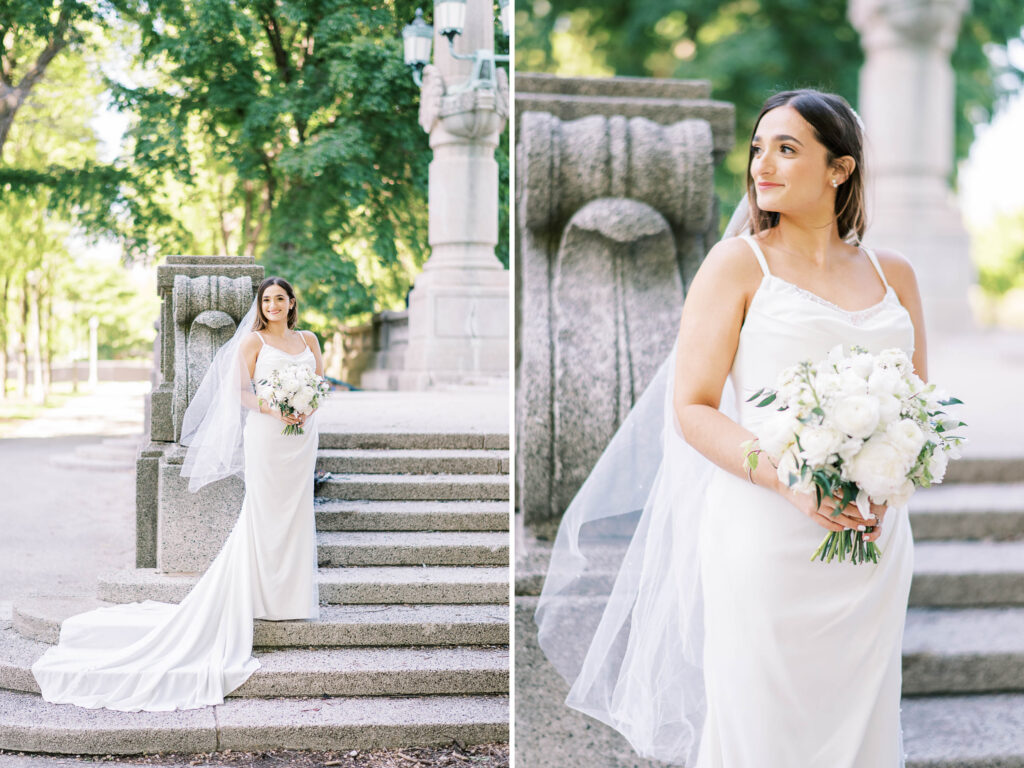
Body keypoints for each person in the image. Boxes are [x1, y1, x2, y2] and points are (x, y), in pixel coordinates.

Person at [534, 89, 927, 767]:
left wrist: (889, 484)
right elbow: (692, 406)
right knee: (761, 730)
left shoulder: (896, 275)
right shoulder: (740, 264)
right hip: (765, 535)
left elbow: (919, 410)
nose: (761, 166)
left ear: (840, 169)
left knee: (862, 728)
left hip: (871, 543)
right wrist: (790, 480)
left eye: (786, 148)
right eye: (757, 148)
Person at [31, 276, 325, 712]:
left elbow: (320, 383)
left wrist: (306, 407)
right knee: (264, 514)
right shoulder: (253, 342)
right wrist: (279, 407)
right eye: (267, 300)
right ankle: (258, 595)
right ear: (260, 306)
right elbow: (240, 393)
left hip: (301, 440)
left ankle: (291, 597)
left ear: (292, 302)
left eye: (280, 298)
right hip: (268, 436)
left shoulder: (309, 340)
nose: (274, 305)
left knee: (297, 513)